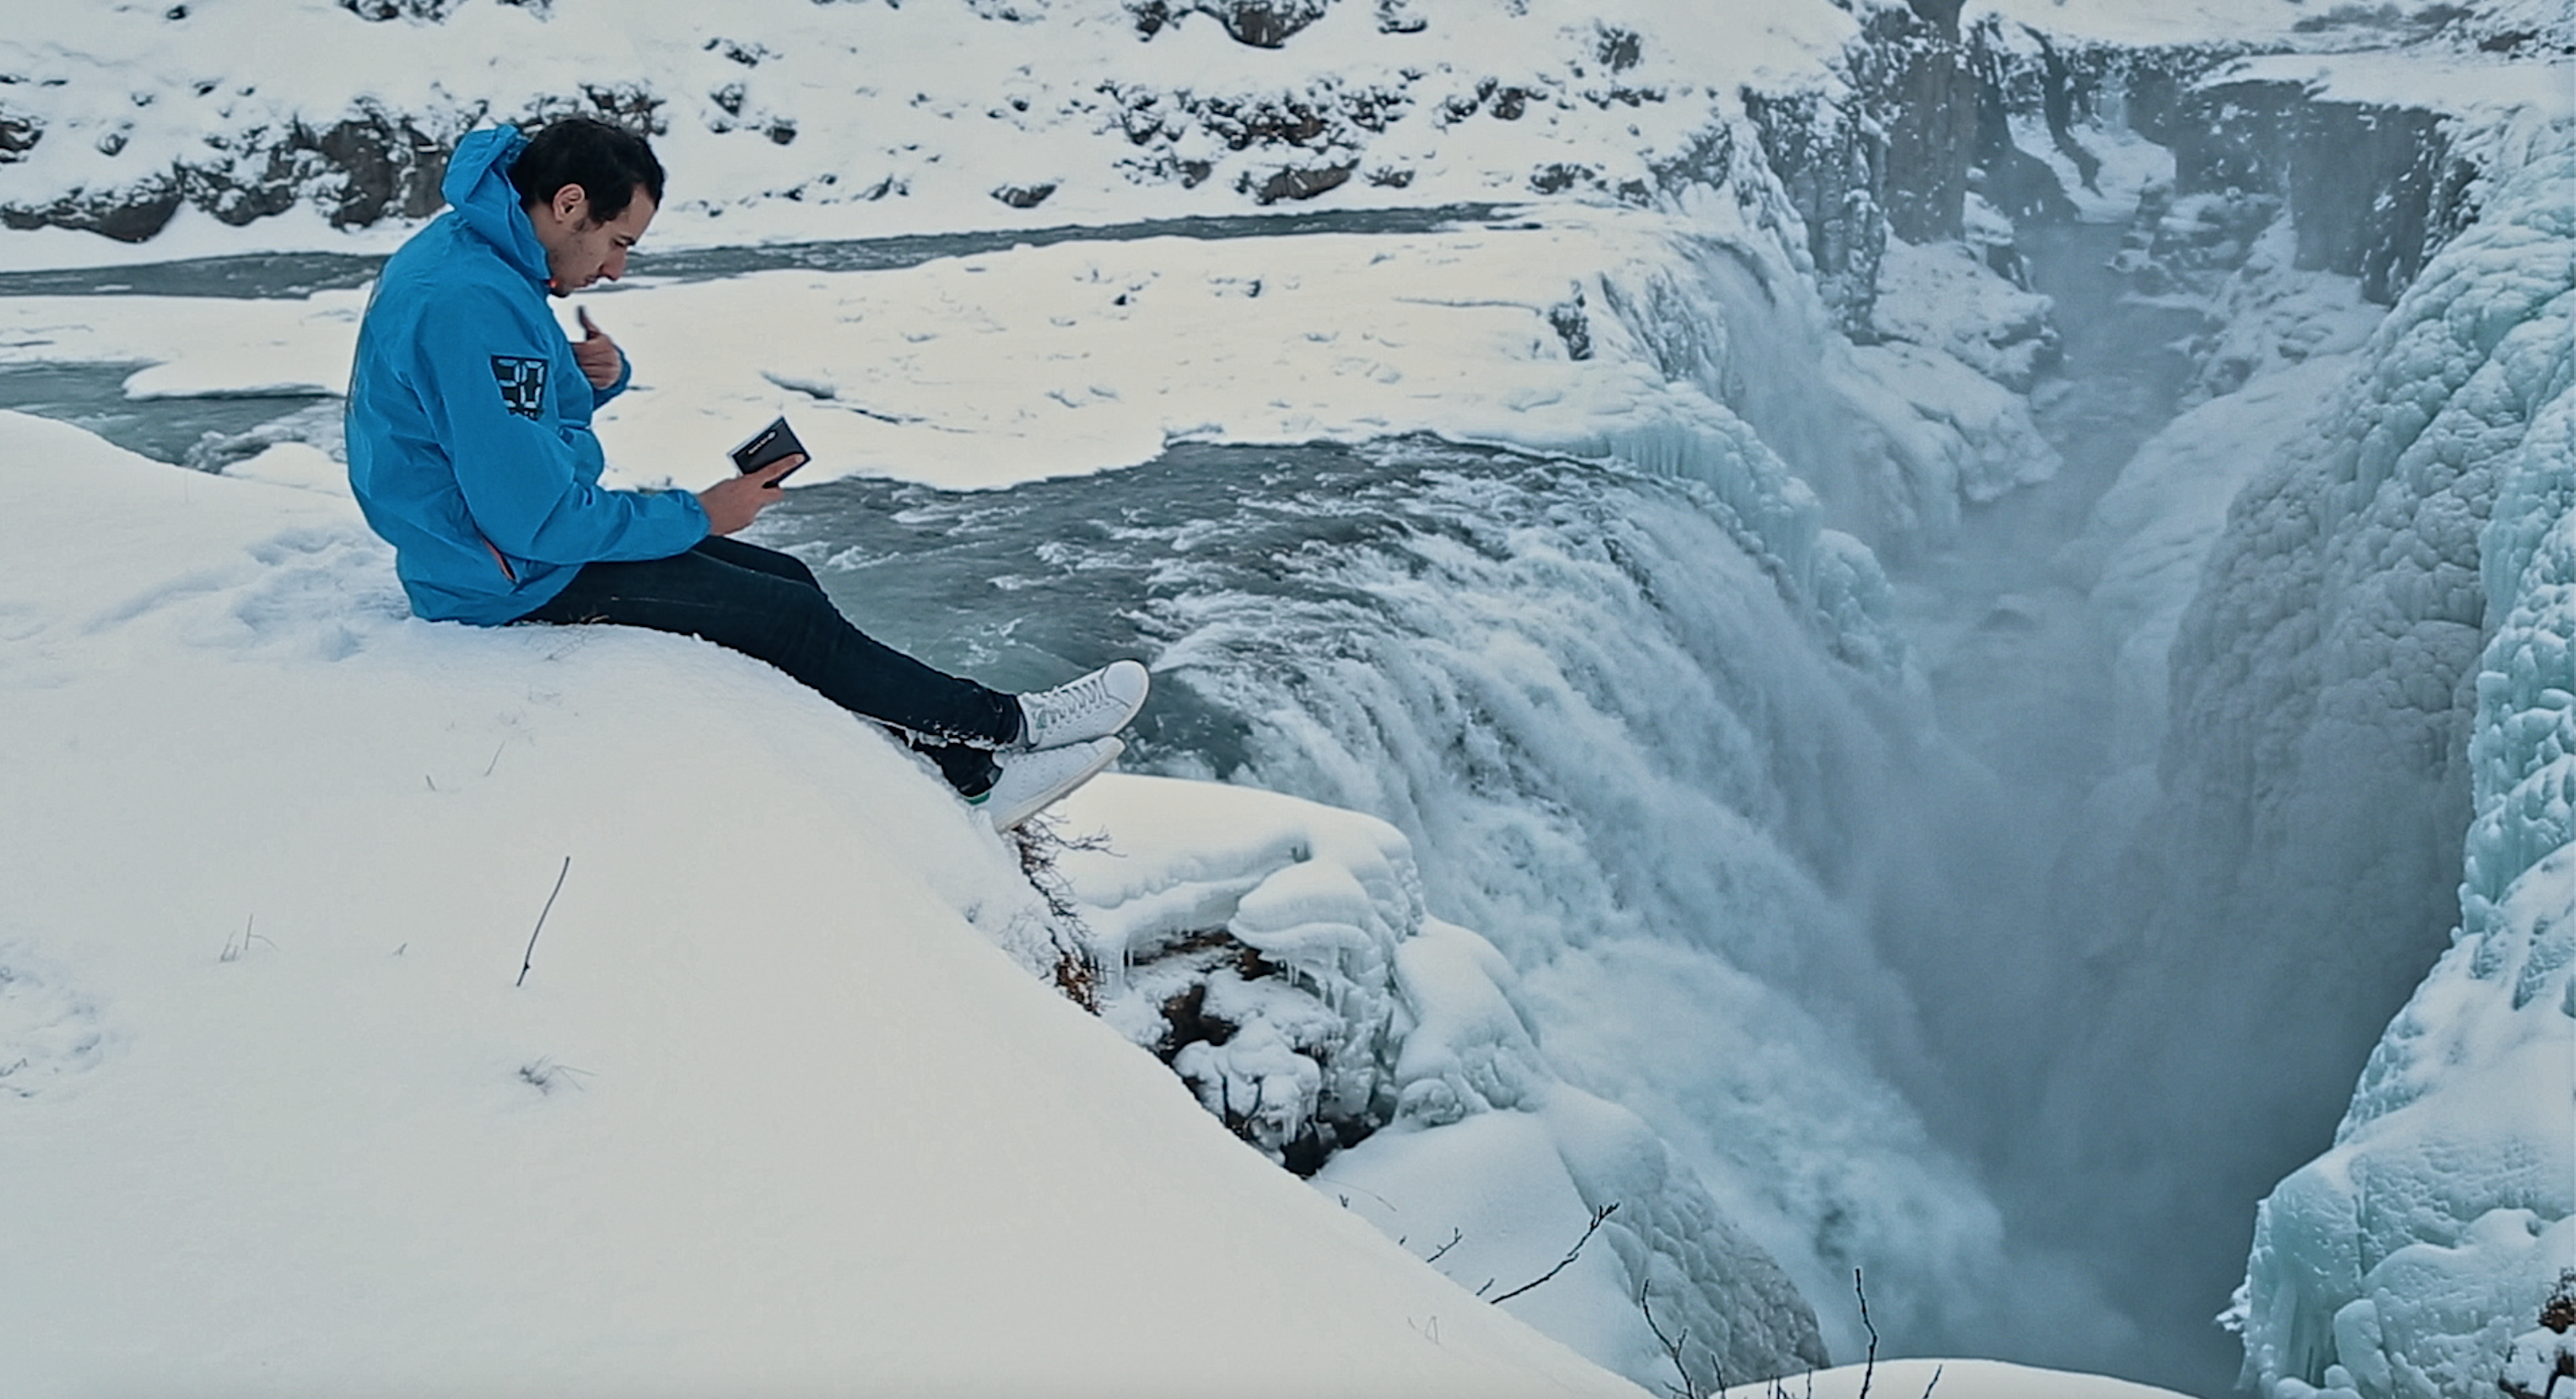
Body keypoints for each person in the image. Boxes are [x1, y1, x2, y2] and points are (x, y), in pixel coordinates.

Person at [343, 115, 1145, 830]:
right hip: (503, 573)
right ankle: (1008, 725)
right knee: (782, 615)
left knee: (787, 580)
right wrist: (702, 511)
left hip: (488, 543)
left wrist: (590, 376)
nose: (618, 270)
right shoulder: (472, 300)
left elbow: (493, 414)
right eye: (619, 242)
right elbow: (536, 517)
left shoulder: (476, 252)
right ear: (568, 203)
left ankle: (971, 774)